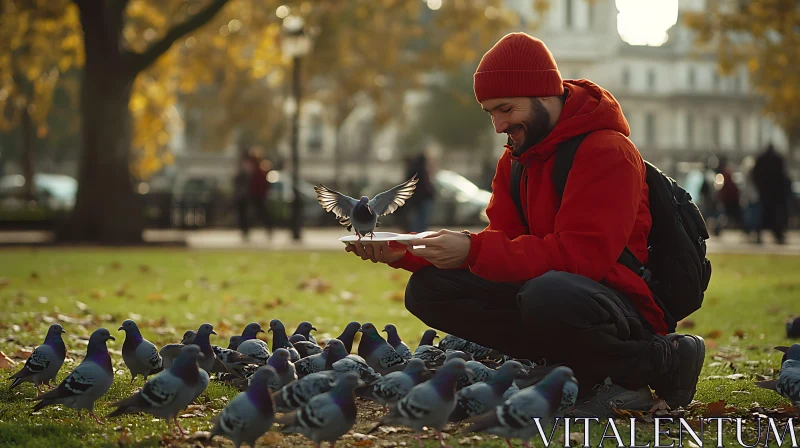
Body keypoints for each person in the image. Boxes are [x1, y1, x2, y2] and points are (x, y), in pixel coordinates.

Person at [343, 33, 705, 417]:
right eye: (491, 113)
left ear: (543, 94)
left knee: (547, 294)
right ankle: (562, 365)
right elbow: (505, 246)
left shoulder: (607, 151)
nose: (499, 125)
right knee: (429, 289)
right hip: (557, 290)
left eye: (506, 109)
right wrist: (407, 250)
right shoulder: (517, 158)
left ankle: (655, 363)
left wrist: (474, 248)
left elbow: (582, 259)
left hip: (618, 303)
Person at [751, 143, 790, 244]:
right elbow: (782, 176)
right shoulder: (777, 160)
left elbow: (755, 174)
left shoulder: (761, 160)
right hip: (774, 193)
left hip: (765, 192)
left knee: (762, 215)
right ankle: (778, 235)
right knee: (775, 215)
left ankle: (759, 235)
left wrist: (760, 187)